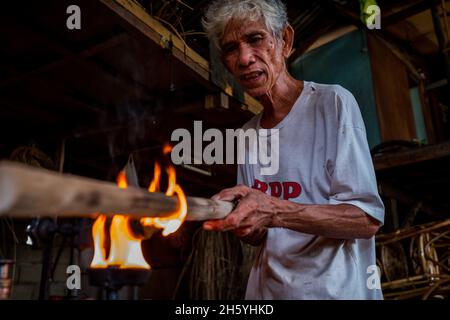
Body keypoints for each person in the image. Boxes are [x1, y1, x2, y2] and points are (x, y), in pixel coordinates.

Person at [201, 0, 385, 299]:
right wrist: (241, 217)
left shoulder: (332, 104)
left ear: (284, 41)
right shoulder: (248, 134)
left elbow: (366, 220)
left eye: (255, 38)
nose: (245, 58)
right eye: (231, 49)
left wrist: (272, 210)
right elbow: (259, 236)